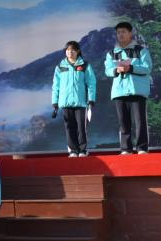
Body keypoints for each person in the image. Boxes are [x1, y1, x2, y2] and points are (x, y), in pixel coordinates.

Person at [105, 21, 153, 154]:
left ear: (130, 33)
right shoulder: (111, 53)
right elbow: (107, 70)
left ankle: (141, 148)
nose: (120, 35)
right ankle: (126, 148)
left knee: (140, 121)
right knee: (123, 122)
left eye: (123, 32)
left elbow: (147, 68)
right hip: (119, 91)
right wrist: (117, 70)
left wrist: (131, 68)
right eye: (118, 32)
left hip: (137, 90)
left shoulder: (141, 50)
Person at [52, 40, 97, 156]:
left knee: (82, 127)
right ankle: (73, 150)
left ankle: (82, 150)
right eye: (67, 50)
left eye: (72, 50)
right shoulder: (60, 66)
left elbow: (91, 83)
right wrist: (55, 102)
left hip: (80, 102)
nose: (70, 52)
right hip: (65, 102)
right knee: (69, 127)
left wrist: (91, 99)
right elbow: (55, 86)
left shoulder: (85, 65)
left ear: (78, 51)